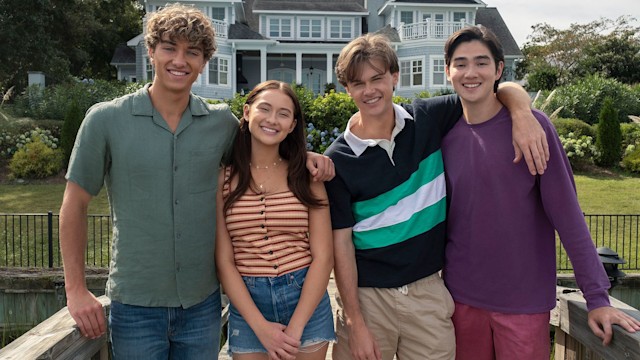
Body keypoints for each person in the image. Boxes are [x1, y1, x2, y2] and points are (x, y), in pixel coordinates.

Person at [59, 4, 332, 358]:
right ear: (151, 50)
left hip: (201, 307)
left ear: (204, 62)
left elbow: (265, 138)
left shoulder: (220, 123)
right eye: (170, 47)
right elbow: (74, 206)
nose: (180, 60)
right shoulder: (106, 120)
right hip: (136, 304)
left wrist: (307, 158)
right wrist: (76, 289)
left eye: (193, 52)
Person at [324, 32, 549, 360]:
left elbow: (493, 89)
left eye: (377, 78)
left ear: (394, 77)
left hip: (428, 293)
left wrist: (523, 113)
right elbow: (340, 246)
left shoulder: (426, 119)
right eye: (358, 83)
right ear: (347, 89)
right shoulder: (337, 161)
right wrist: (355, 322)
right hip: (368, 299)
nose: (370, 90)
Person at [440, 25, 640, 360]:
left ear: (499, 69)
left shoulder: (533, 129)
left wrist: (597, 298)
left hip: (523, 303)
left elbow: (567, 215)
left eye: (481, 62)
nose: (470, 72)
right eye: (460, 63)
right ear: (448, 71)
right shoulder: (443, 133)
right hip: (459, 300)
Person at [215, 80, 335, 360]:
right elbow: (225, 261)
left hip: (306, 298)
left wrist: (295, 329)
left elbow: (323, 257)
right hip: (249, 305)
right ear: (247, 112)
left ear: (293, 125)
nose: (272, 120)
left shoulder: (307, 176)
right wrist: (261, 327)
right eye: (265, 109)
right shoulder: (223, 181)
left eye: (283, 113)